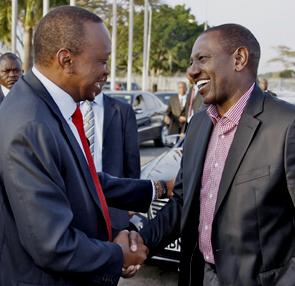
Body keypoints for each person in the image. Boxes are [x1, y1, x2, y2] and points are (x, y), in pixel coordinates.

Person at [0, 6, 170, 286]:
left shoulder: (44, 106)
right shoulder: (32, 125)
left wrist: (158, 188)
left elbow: (79, 180)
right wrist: (118, 255)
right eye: (102, 62)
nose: (106, 72)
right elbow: (53, 244)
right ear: (66, 60)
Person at [130, 23, 295, 285]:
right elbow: (184, 202)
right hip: (198, 276)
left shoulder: (286, 124)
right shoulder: (198, 125)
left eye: (202, 59)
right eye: (191, 61)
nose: (191, 71)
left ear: (239, 59)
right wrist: (140, 240)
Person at [81, 89, 140, 235]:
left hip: (113, 204)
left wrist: (132, 199)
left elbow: (131, 158)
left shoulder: (122, 110)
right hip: (77, 201)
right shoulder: (66, 108)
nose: (103, 72)